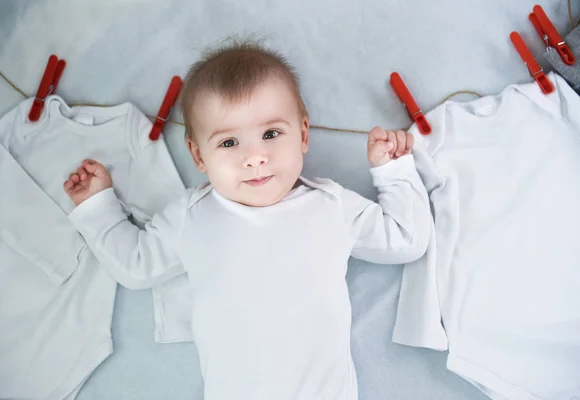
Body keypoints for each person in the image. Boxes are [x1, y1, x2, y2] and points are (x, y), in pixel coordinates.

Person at [64, 40, 432, 400]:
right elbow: (137, 264)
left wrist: (394, 172)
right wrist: (98, 208)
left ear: (303, 135)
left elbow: (406, 239)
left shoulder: (330, 205)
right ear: (199, 156)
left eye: (271, 134)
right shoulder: (193, 215)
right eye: (228, 143)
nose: (255, 157)